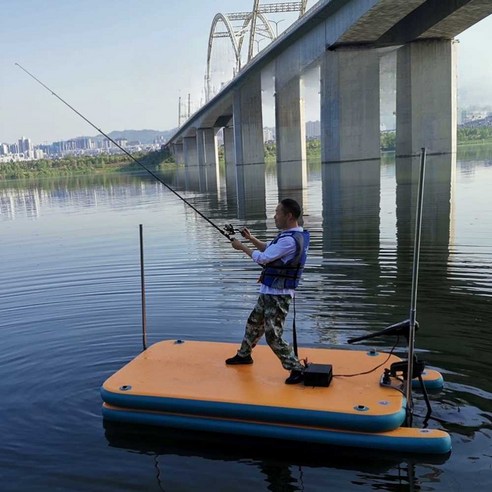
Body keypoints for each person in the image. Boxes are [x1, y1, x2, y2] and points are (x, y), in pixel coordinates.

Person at [226, 198, 310, 385]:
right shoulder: (291, 235)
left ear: (289, 216)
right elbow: (269, 250)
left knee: (273, 335)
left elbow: (263, 258)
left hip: (278, 295)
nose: (274, 216)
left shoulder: (289, 240)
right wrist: (251, 239)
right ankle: (244, 355)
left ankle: (296, 368)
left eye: (278, 212)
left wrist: (242, 247)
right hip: (270, 291)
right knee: (254, 322)